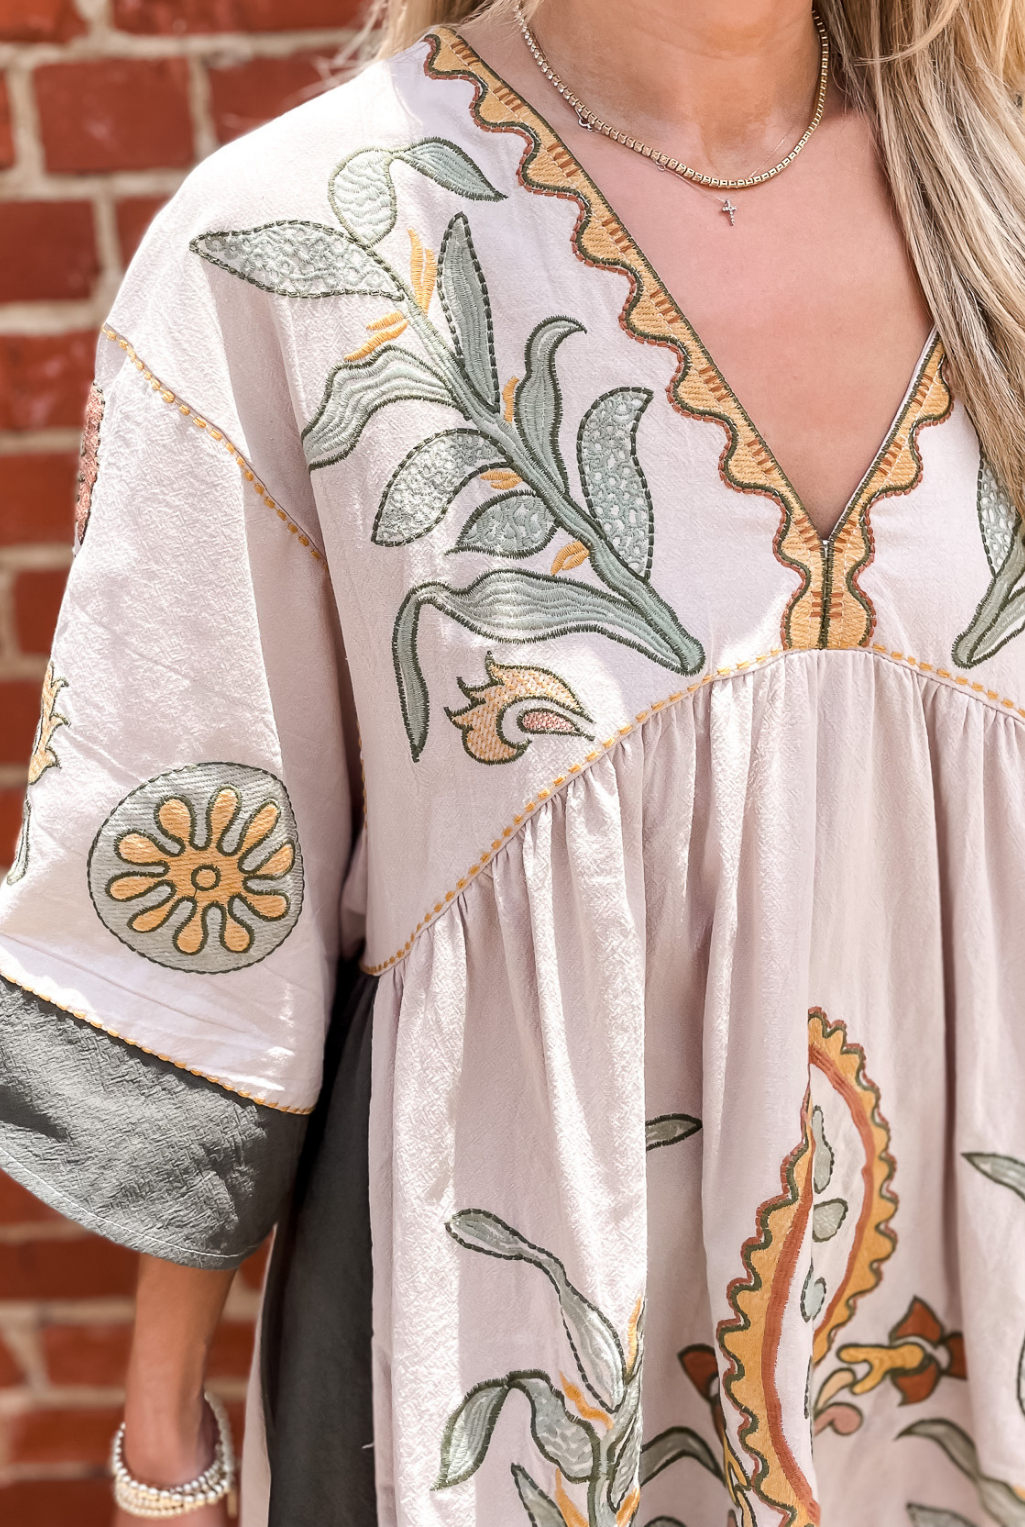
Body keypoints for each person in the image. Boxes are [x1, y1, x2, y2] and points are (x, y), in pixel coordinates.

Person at [1, 0, 1024, 1520]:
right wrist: (165, 1434)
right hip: (515, 1361)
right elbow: (216, 856)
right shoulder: (292, 246)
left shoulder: (1001, 198)